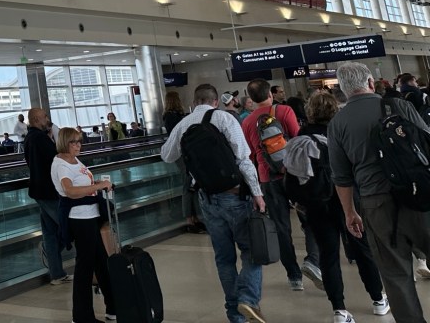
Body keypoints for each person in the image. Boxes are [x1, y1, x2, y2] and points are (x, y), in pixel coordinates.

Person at [329, 61, 430, 323]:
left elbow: (341, 177)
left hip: (376, 205)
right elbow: (426, 142)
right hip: (419, 195)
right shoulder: (399, 105)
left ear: (343, 90)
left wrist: (350, 212)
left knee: (395, 274)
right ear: (371, 82)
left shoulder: (337, 123)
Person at [161, 83, 266, 323]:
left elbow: (166, 155)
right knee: (251, 251)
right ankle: (248, 299)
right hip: (235, 195)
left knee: (224, 258)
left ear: (194, 102)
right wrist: (257, 193)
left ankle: (234, 315)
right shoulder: (225, 119)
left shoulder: (183, 124)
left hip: (207, 198)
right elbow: (244, 159)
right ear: (216, 101)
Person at [289, 91, 387, 323]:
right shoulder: (339, 131)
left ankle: (339, 310)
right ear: (335, 109)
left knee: (328, 254)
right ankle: (378, 299)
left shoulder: (300, 137)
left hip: (315, 203)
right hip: (347, 199)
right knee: (362, 250)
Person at [241, 78, 318, 291]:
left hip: (268, 178)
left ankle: (294, 277)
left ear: (251, 99)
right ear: (270, 94)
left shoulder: (247, 122)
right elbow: (298, 139)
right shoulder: (284, 111)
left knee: (281, 228)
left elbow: (250, 155)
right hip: (294, 174)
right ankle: (312, 260)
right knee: (309, 219)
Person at [53, 126, 115, 323]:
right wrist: (98, 186)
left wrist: (97, 184)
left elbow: (81, 185)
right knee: (85, 267)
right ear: (65, 143)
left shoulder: (74, 160)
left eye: (79, 141)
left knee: (101, 262)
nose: (78, 145)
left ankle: (113, 306)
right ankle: (82, 316)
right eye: (74, 142)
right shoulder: (61, 164)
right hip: (79, 219)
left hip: (90, 216)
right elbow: (70, 191)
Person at [24, 108, 70, 285]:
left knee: (50, 232)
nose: (47, 119)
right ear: (36, 119)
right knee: (68, 226)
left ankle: (57, 274)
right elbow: (55, 160)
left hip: (39, 191)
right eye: (44, 117)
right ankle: (48, 252)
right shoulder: (40, 139)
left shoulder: (30, 138)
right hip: (49, 191)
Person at [163, 90, 204, 233]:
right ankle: (189, 219)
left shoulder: (172, 116)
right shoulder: (173, 117)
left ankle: (195, 217)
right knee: (188, 185)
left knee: (192, 184)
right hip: (182, 154)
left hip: (184, 153)